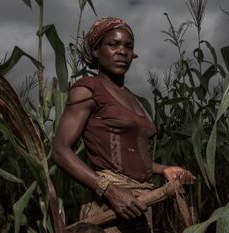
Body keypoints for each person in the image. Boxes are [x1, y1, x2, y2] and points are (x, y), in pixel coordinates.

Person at [52, 17, 195, 233]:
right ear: (96, 51)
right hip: (109, 206)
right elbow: (60, 150)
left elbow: (130, 155)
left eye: (128, 46)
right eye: (114, 44)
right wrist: (109, 190)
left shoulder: (132, 98)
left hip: (141, 203)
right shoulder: (88, 89)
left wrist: (164, 169)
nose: (122, 51)